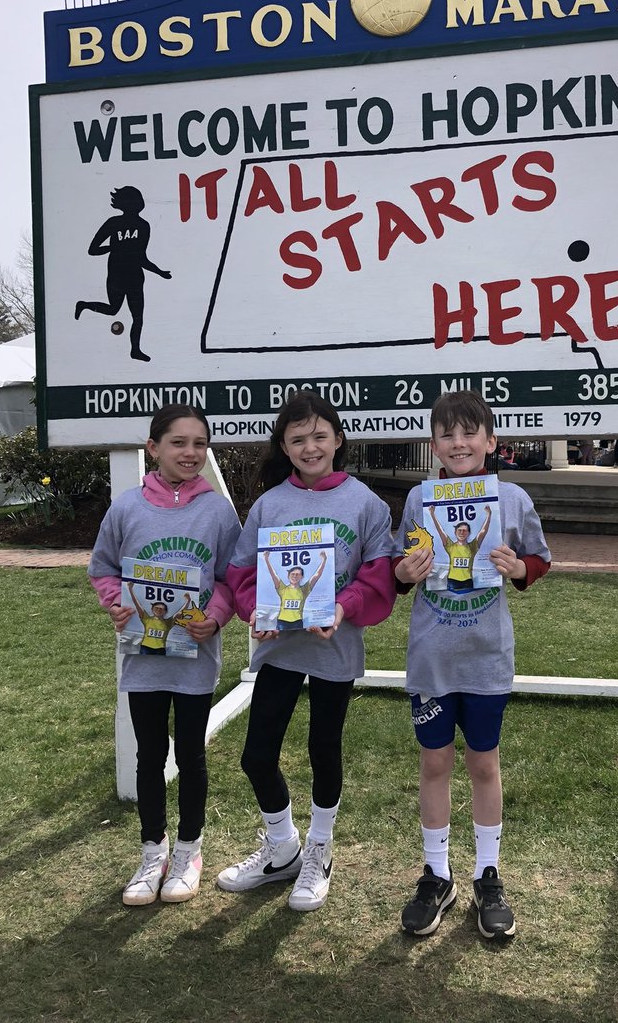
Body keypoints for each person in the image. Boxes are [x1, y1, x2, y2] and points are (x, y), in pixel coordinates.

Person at [218, 391, 395, 912]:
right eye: (298, 439)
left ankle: (320, 849)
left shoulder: (366, 504)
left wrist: (343, 606)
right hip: (281, 649)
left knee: (324, 748)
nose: (310, 447)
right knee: (256, 756)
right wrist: (257, 611)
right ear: (284, 446)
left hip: (332, 646)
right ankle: (283, 848)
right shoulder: (270, 505)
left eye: (320, 436)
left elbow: (377, 573)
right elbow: (242, 570)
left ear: (338, 440)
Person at [393, 390, 551, 940]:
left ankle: (488, 874)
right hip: (432, 657)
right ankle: (437, 875)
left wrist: (519, 568)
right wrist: (404, 572)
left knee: (484, 764)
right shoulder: (420, 498)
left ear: (491, 441)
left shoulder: (511, 498)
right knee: (434, 762)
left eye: (469, 433)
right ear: (433, 444)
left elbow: (540, 559)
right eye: (447, 434)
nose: (458, 443)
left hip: (487, 657)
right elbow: (401, 564)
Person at [88, 404, 241, 907]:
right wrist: (116, 603)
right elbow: (103, 568)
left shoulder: (217, 512)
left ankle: (189, 851)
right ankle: (153, 850)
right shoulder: (127, 508)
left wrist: (214, 616)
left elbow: (231, 578)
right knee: (149, 756)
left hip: (195, 658)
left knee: (191, 756)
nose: (190, 453)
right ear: (153, 448)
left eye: (200, 443)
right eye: (178, 442)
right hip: (145, 660)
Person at [74, 186, 171, 362]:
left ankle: (135, 350)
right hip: (116, 276)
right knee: (113, 310)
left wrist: (160, 272)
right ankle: (84, 305)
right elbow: (93, 249)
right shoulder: (113, 223)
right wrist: (113, 247)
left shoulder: (144, 226)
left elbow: (142, 257)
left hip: (135, 277)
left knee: (138, 317)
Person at [427, 506, 492, 592]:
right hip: (452, 581)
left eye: (464, 531)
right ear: (455, 532)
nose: (462, 533)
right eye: (459, 530)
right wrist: (432, 513)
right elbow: (440, 530)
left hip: (468, 581)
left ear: (468, 533)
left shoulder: (472, 546)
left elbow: (483, 532)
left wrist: (489, 514)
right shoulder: (450, 546)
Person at [263, 549, 328, 631]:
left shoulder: (304, 590)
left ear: (302, 577)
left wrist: (324, 560)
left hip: (297, 622)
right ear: (288, 576)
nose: (294, 576)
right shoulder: (282, 588)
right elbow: (273, 574)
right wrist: (266, 559)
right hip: (282, 622)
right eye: (292, 574)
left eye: (297, 574)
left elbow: (317, 575)